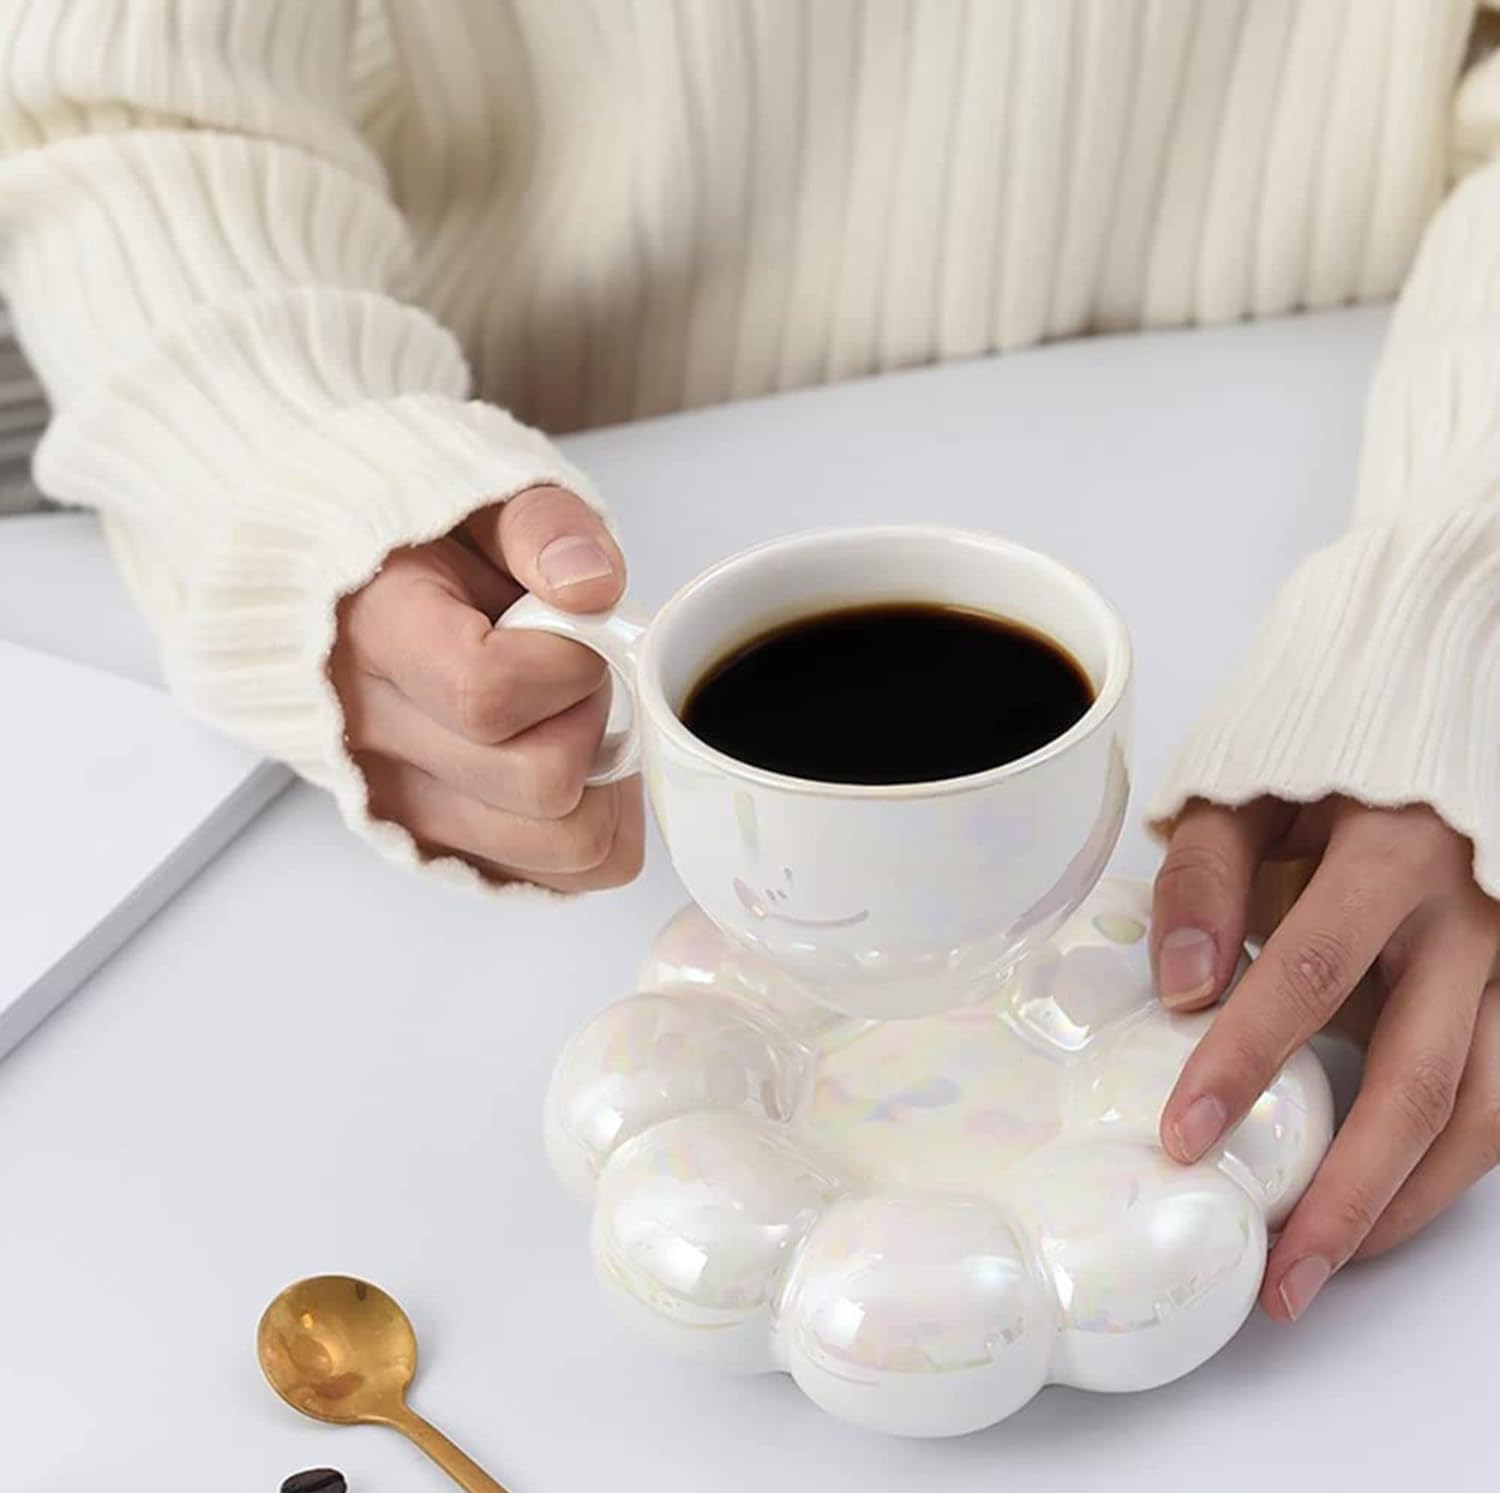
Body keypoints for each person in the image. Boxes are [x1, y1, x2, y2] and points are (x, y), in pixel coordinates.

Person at [1, 0, 1496, 1326]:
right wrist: (327, 480)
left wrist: (1454, 624)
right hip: (536, 465)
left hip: (1353, 424)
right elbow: (128, 113)